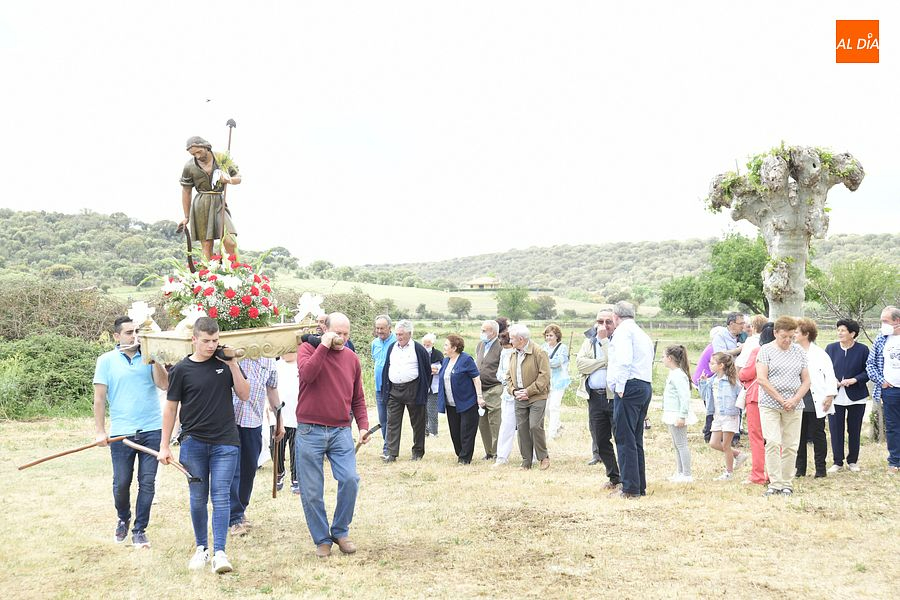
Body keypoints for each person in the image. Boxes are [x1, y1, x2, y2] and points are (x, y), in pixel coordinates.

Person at [159, 317, 250, 574]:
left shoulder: (225, 364)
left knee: (220, 496)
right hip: (193, 443)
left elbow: (244, 394)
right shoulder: (181, 370)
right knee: (198, 497)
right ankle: (202, 548)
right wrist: (165, 445)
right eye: (207, 341)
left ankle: (220, 552)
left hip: (225, 443)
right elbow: (171, 408)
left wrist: (233, 364)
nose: (212, 345)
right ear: (194, 340)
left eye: (215, 340)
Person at [295, 312, 370, 558]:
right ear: (324, 329)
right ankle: (321, 539)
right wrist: (324, 347)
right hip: (309, 428)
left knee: (350, 479)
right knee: (312, 490)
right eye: (337, 333)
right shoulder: (307, 349)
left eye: (346, 334)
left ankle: (340, 530)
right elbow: (308, 375)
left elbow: (357, 396)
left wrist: (363, 425)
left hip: (340, 430)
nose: (342, 338)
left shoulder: (351, 358)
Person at [93, 316, 169, 548]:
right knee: (121, 482)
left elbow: (164, 385)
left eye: (137, 332)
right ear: (117, 336)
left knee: (147, 482)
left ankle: (139, 530)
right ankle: (123, 518)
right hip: (121, 434)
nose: (134, 336)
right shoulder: (106, 360)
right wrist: (100, 431)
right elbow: (99, 398)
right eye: (128, 332)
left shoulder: (148, 358)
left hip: (152, 429)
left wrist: (153, 356)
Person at [755, 316, 811, 497]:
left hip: (794, 404)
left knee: (791, 444)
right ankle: (775, 483)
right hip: (770, 403)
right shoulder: (765, 350)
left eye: (791, 337)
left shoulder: (799, 352)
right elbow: (762, 379)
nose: (787, 340)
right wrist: (780, 399)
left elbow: (806, 380)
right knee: (772, 441)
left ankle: (787, 482)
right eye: (783, 337)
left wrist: (794, 399)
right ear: (775, 333)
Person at [229, 358, 284, 536]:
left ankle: (240, 509)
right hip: (227, 421)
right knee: (232, 469)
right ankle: (234, 517)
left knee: (249, 468)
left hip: (253, 420)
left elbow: (272, 388)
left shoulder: (268, 358)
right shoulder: (232, 353)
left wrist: (279, 420)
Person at [607, 301, 654, 498]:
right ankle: (637, 485)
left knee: (624, 438)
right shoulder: (641, 333)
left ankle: (629, 488)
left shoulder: (623, 332)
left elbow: (624, 360)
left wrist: (620, 386)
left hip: (629, 385)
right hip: (644, 384)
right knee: (635, 439)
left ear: (616, 317)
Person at [576, 310, 620, 489]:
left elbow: (614, 361)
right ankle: (614, 477)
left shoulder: (617, 341)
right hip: (594, 396)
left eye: (608, 321)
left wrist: (604, 343)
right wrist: (603, 362)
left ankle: (626, 476)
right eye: (599, 321)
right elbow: (580, 364)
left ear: (615, 322)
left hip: (614, 397)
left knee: (621, 438)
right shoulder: (589, 341)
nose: (603, 325)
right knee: (600, 440)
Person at [178, 136, 242, 260]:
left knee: (230, 241)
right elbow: (186, 191)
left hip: (219, 203)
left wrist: (228, 179)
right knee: (207, 246)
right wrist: (186, 216)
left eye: (199, 152)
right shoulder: (189, 166)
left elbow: (238, 177)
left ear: (206, 147)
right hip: (201, 204)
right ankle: (209, 276)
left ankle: (235, 271)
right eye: (193, 154)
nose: (197, 156)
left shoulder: (221, 159)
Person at [381, 320, 432, 462]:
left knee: (417, 423)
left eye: (402, 334)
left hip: (413, 389)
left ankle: (418, 452)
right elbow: (387, 367)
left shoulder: (419, 349)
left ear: (410, 333)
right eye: (397, 334)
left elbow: (427, 371)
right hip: (394, 389)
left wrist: (423, 389)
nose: (399, 337)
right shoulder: (392, 347)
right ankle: (391, 453)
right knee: (392, 422)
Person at [825, 319, 869, 473]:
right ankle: (837, 461)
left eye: (843, 330)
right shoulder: (830, 348)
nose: (840, 333)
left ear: (852, 333)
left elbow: (867, 371)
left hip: (857, 395)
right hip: (835, 395)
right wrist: (832, 381)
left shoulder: (863, 350)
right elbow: (824, 370)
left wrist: (855, 379)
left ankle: (853, 461)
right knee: (835, 429)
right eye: (838, 330)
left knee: (854, 429)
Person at [794, 318, 837, 478]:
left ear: (806, 334)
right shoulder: (792, 351)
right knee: (799, 434)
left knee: (818, 433)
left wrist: (830, 395)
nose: (794, 335)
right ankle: (800, 469)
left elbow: (830, 376)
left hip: (815, 398)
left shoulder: (819, 354)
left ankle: (820, 469)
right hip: (798, 398)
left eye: (797, 332)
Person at [506, 324, 551, 470]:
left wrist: (528, 391)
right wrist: (513, 391)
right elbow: (508, 376)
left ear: (521, 339)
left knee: (535, 426)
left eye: (512, 338)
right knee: (523, 428)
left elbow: (544, 377)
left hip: (537, 396)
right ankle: (526, 461)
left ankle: (543, 457)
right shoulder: (513, 353)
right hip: (518, 396)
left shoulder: (539, 352)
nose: (510, 341)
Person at [437, 334, 485, 464]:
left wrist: (479, 397)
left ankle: (465, 458)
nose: (444, 347)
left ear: (454, 347)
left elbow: (476, 378)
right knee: (455, 431)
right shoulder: (446, 360)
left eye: (446, 345)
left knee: (467, 431)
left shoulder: (466, 359)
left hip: (467, 401)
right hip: (451, 403)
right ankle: (460, 453)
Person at [699, 353, 746, 480]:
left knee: (726, 445)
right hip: (717, 415)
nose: (710, 365)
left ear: (721, 365)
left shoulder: (732, 382)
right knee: (714, 443)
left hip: (730, 415)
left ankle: (729, 472)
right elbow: (704, 396)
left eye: (713, 363)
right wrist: (703, 383)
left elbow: (741, 395)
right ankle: (737, 454)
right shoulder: (712, 381)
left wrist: (740, 409)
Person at [738, 322, 774, 486]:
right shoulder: (784, 353)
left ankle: (758, 474)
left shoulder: (758, 351)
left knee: (757, 437)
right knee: (775, 438)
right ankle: (775, 473)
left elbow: (745, 373)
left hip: (757, 396)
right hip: (778, 398)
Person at [866, 306, 900, 474]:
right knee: (893, 426)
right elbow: (870, 364)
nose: (883, 324)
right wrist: (882, 382)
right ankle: (894, 462)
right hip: (890, 390)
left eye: (885, 321)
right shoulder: (882, 339)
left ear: (897, 321)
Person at [661, 345, 695, 483]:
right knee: (677, 444)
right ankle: (680, 472)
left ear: (670, 358)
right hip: (672, 412)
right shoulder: (674, 373)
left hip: (677, 413)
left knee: (681, 444)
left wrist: (682, 415)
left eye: (663, 356)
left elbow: (684, 396)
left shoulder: (679, 375)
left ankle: (687, 474)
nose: (662, 359)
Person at [273, 352, 300, 494]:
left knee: (296, 449)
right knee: (276, 447)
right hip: (278, 415)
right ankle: (279, 472)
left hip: (297, 415)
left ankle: (296, 479)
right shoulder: (275, 366)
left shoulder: (301, 366)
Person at [476, 320, 503, 460]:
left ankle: (498, 451)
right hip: (481, 388)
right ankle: (489, 451)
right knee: (482, 421)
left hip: (495, 387)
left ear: (493, 332)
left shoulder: (500, 346)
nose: (482, 333)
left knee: (495, 421)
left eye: (484, 330)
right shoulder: (480, 345)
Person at [371, 315, 396, 455]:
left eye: (382, 328)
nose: (379, 331)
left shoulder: (395, 342)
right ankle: (388, 446)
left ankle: (388, 449)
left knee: (391, 419)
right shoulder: (374, 343)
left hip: (392, 388)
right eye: (377, 328)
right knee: (383, 420)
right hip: (378, 388)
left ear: (389, 328)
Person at [541, 324, 571, 440]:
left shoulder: (562, 348)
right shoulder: (543, 347)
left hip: (559, 381)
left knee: (554, 406)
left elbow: (557, 363)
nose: (549, 338)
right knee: (546, 408)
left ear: (557, 336)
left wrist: (546, 360)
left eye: (551, 335)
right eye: (547, 335)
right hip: (546, 381)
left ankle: (552, 434)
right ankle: (558, 425)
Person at [493, 331, 517, 466]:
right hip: (507, 394)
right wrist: (505, 380)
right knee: (506, 426)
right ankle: (502, 456)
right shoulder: (504, 353)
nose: (505, 348)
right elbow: (499, 373)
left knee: (526, 428)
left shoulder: (517, 353)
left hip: (522, 393)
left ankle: (532, 455)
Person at [422, 333, 444, 437]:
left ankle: (433, 432)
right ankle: (424, 431)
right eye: (424, 344)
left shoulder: (438, 354)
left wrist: (436, 370)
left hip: (434, 386)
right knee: (423, 410)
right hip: (423, 386)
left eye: (428, 344)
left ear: (433, 343)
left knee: (432, 410)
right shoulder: (420, 353)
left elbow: (443, 368)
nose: (426, 347)